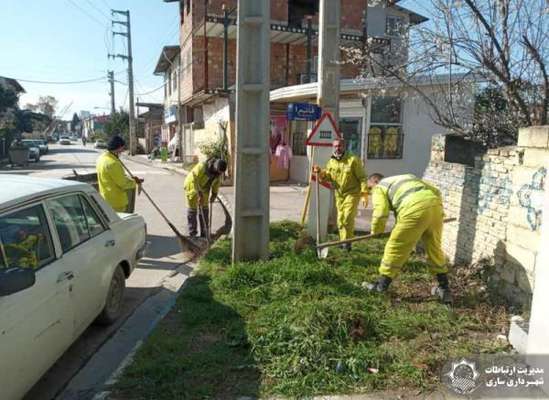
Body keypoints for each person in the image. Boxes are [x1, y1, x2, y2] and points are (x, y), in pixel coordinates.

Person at [364, 173, 452, 304]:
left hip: (413, 211)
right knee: (434, 249)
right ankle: (444, 289)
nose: (370, 193)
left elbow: (381, 212)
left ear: (374, 182)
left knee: (395, 247)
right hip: (435, 208)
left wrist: (376, 232)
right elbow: (436, 191)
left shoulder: (379, 187)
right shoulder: (407, 177)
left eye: (369, 189)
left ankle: (381, 287)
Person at [313, 139, 369, 251]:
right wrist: (320, 173)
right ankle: (344, 241)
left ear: (344, 146)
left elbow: (362, 177)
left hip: (352, 193)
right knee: (340, 219)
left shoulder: (353, 160)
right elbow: (327, 177)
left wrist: (364, 193)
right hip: (339, 194)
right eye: (335, 146)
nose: (337, 148)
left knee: (348, 217)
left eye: (339, 146)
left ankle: (347, 243)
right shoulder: (332, 161)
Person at [96, 135, 143, 212]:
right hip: (116, 202)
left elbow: (115, 177)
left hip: (105, 199)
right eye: (122, 148)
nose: (123, 150)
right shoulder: (113, 163)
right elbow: (123, 184)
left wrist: (131, 179)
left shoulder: (101, 158)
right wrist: (135, 182)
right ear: (118, 147)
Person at [184, 158, 227, 238]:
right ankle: (192, 234)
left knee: (205, 210)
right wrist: (199, 194)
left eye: (221, 172)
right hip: (192, 186)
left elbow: (216, 184)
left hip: (204, 189)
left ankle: (204, 233)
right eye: (219, 171)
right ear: (215, 167)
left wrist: (214, 194)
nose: (219, 173)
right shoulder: (202, 167)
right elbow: (194, 179)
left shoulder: (218, 173)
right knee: (192, 210)